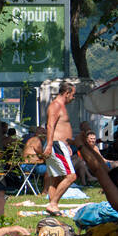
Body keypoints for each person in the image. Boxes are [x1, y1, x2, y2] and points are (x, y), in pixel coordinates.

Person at [43, 82, 78, 214]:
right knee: (71, 176)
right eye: (72, 95)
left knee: (55, 179)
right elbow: (50, 126)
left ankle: (52, 208)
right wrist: (51, 144)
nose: (73, 98)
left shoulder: (61, 106)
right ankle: (53, 203)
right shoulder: (56, 105)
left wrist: (67, 145)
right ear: (67, 93)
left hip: (60, 145)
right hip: (56, 145)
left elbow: (61, 127)